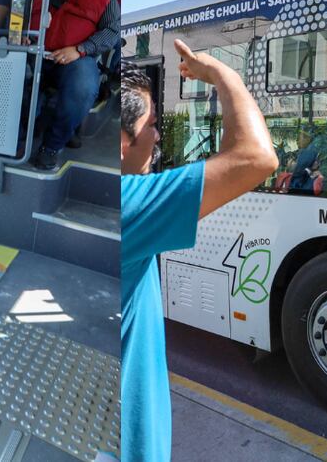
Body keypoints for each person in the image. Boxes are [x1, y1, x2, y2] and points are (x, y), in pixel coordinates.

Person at [120, 41, 278, 461]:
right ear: (122, 140)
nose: (158, 134)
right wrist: (225, 75)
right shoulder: (129, 203)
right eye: (153, 123)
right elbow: (257, 157)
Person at [28, 0, 120, 169]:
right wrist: (23, 35)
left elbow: (112, 33)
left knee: (83, 85)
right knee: (8, 70)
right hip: (34, 53)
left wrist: (80, 50)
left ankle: (51, 146)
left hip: (72, 60)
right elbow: (24, 16)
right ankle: (14, 136)